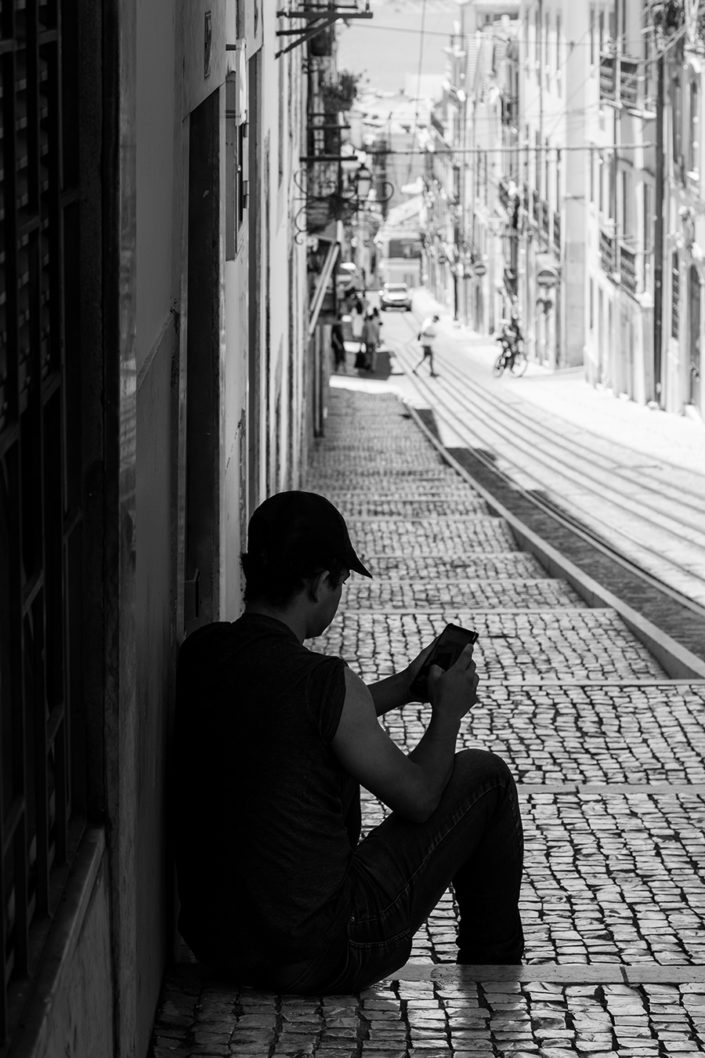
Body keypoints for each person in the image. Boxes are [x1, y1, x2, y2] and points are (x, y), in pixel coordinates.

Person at [173, 491, 524, 995]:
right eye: (339, 584)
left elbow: (296, 721)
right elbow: (420, 797)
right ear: (321, 584)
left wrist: (405, 686)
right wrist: (447, 712)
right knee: (484, 777)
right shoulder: (322, 681)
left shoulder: (204, 652)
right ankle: (495, 973)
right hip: (320, 950)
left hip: (222, 945)